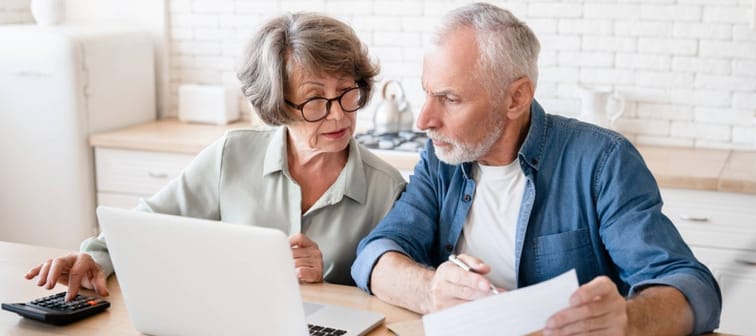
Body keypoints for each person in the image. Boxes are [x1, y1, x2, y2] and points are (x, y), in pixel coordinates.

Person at [351, 3, 721, 335]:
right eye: (427, 93)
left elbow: (694, 287)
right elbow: (376, 254)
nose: (424, 119)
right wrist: (430, 291)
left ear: (516, 97)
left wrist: (630, 319)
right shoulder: (442, 159)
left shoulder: (603, 161)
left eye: (449, 98)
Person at [25, 12, 406, 301]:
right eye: (315, 100)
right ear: (278, 106)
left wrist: (324, 281)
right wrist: (92, 259)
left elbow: (388, 302)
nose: (339, 114)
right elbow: (147, 227)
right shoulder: (232, 155)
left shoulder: (387, 189)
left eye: (346, 92)